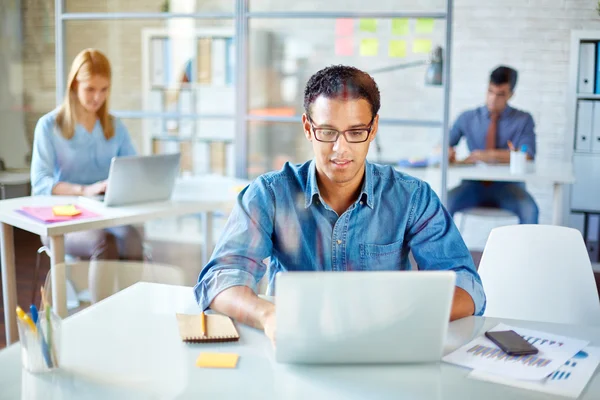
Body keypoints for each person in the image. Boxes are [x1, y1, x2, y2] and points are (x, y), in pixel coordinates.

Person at [194, 65, 486, 346]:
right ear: (308, 128)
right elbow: (220, 279)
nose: (341, 149)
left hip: (383, 344)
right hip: (295, 341)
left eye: (356, 132)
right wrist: (269, 316)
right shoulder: (269, 193)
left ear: (373, 130)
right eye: (328, 132)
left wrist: (397, 314)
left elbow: (467, 286)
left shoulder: (412, 197)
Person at [30, 48, 144, 261]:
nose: (97, 97)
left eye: (104, 89)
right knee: (103, 242)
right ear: (74, 85)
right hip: (62, 217)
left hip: (105, 214)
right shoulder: (48, 126)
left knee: (133, 239)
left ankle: (130, 295)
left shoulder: (114, 126)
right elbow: (41, 183)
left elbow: (133, 169)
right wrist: (85, 190)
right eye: (90, 89)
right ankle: (100, 297)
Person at [447, 65, 539, 224]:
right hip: (472, 186)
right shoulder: (467, 117)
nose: (493, 99)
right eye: (490, 91)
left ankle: (523, 250)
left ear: (511, 94)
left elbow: (528, 156)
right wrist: (446, 152)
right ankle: (445, 250)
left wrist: (485, 155)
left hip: (508, 187)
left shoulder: (523, 120)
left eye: (500, 94)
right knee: (442, 204)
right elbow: (442, 146)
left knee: (530, 209)